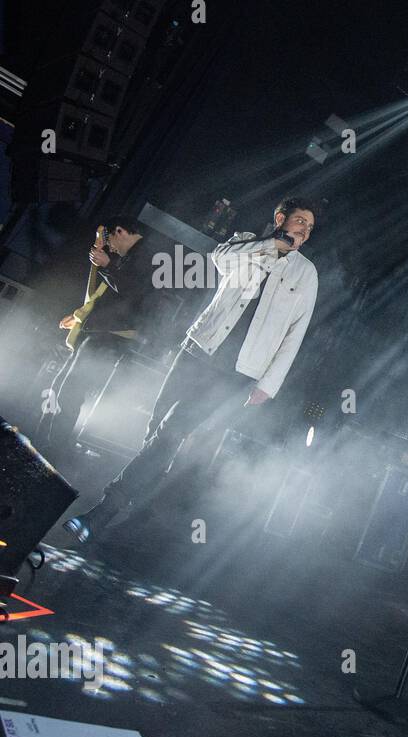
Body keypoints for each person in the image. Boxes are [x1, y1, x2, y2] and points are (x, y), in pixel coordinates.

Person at [62, 197, 320, 543]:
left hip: (236, 371)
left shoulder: (305, 273)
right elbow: (218, 259)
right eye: (300, 221)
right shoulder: (245, 243)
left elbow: (296, 332)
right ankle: (138, 515)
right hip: (199, 348)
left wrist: (269, 384)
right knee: (157, 430)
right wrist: (271, 245)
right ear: (280, 218)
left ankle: (103, 511)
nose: (304, 230)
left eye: (309, 226)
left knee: (170, 432)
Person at [36, 217, 161, 468]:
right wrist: (80, 315)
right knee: (62, 386)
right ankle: (43, 446)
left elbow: (133, 292)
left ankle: (51, 453)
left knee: (71, 391)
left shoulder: (148, 256)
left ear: (121, 231)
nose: (111, 248)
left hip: (113, 335)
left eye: (112, 242)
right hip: (102, 330)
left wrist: (107, 265)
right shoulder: (128, 258)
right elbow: (109, 295)